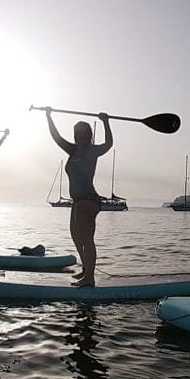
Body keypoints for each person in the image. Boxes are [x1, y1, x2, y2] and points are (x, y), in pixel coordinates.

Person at [45, 109, 113, 287]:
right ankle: (86, 270)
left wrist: (105, 122)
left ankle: (89, 278)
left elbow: (108, 144)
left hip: (89, 200)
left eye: (82, 133)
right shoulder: (72, 150)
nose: (79, 136)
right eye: (77, 134)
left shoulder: (93, 151)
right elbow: (56, 136)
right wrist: (48, 116)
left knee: (86, 237)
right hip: (77, 201)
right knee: (76, 236)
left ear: (88, 135)